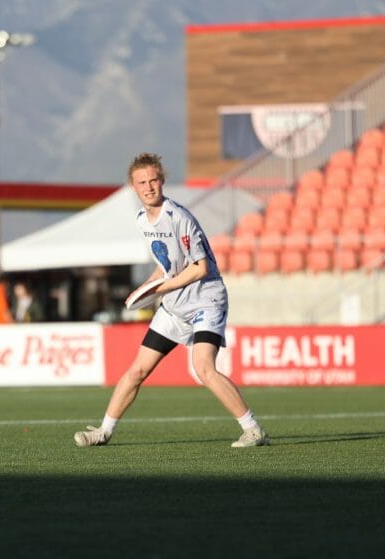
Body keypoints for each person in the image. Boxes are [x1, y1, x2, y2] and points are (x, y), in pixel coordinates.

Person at [74, 152, 269, 448]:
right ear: (134, 186)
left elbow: (200, 267)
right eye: (142, 182)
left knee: (203, 367)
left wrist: (162, 289)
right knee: (137, 370)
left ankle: (253, 430)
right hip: (175, 307)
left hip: (206, 300)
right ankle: (103, 432)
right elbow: (167, 265)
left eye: (153, 180)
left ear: (162, 181)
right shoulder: (142, 219)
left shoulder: (178, 216)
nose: (148, 187)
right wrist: (146, 287)